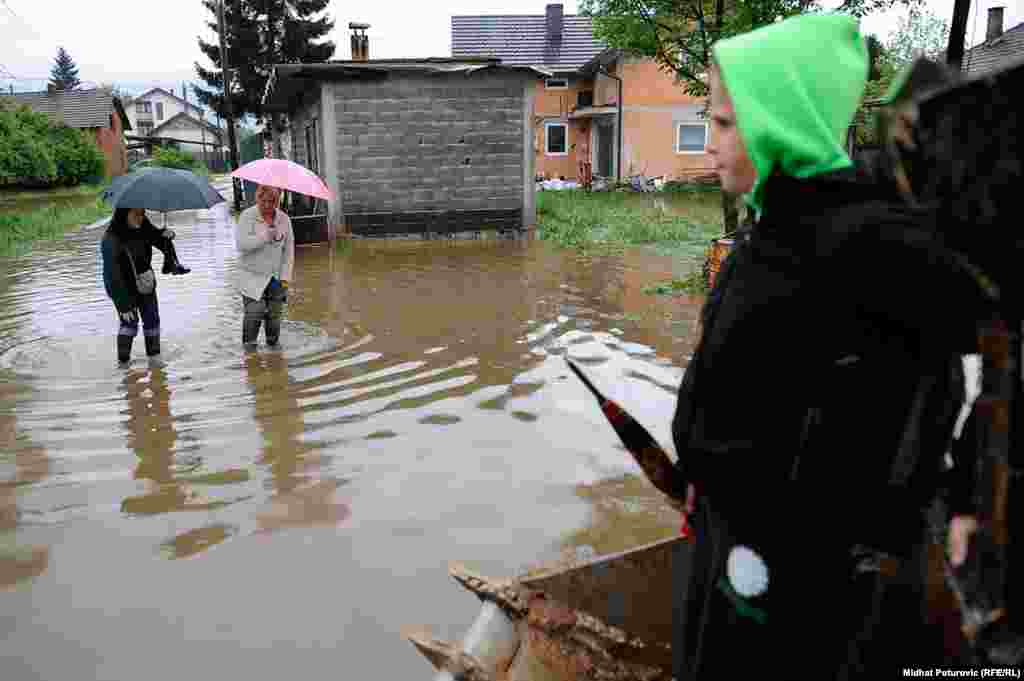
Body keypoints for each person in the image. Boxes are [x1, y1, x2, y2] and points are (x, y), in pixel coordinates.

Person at [668, 14, 997, 679]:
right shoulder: (768, 231)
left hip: (807, 581)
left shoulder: (872, 245)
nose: (710, 143)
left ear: (782, 120)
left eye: (726, 124)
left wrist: (963, 499)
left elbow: (975, 357)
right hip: (729, 539)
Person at [101, 207, 190, 364]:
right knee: (129, 323)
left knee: (152, 320)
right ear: (124, 214)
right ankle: (123, 364)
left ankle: (155, 360)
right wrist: (123, 304)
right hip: (122, 286)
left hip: (145, 282)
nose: (141, 217)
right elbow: (111, 275)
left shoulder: (143, 225)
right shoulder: (111, 239)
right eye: (136, 214)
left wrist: (166, 236)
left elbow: (157, 239)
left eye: (143, 213)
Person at [235, 184, 294, 347]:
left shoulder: (284, 219)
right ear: (258, 199)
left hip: (275, 276)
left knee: (274, 318)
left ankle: (274, 351)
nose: (268, 205)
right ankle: (249, 352)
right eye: (265, 201)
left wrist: (285, 277)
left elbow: (288, 251)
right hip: (251, 275)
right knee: (255, 312)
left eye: (272, 202)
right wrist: (264, 237)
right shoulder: (247, 216)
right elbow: (241, 245)